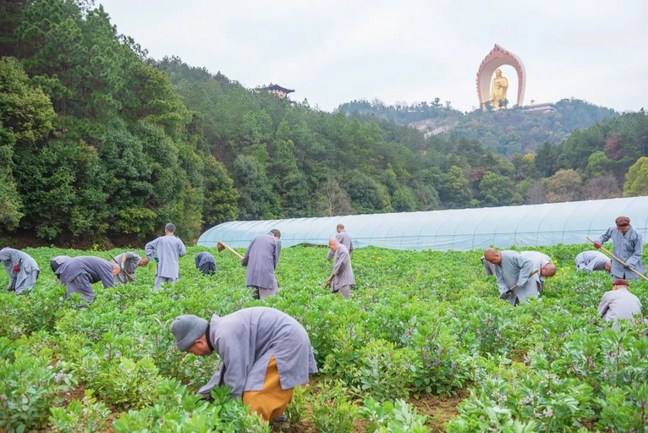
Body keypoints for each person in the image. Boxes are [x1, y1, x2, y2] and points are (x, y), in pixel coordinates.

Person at [170, 307, 318, 424]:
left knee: (253, 396)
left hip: (286, 342)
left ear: (198, 342)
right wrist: (201, 397)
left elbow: (236, 378)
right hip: (285, 340)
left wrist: (232, 416)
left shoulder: (224, 335)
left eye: (192, 352)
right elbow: (225, 372)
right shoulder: (221, 332)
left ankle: (256, 425)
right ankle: (272, 418)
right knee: (257, 385)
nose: (196, 355)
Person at [55, 256, 119, 305]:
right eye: (116, 274)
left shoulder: (103, 263)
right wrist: (113, 301)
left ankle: (69, 313)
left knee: (71, 296)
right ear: (115, 269)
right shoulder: (107, 267)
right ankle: (81, 317)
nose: (113, 276)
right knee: (87, 297)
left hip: (67, 267)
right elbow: (109, 288)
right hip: (77, 269)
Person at [241, 229, 281, 299]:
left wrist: (244, 262)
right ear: (276, 236)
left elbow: (247, 255)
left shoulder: (257, 237)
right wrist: (272, 272)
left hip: (252, 273)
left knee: (252, 300)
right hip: (265, 273)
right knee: (269, 299)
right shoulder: (276, 241)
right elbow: (275, 259)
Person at [145, 223, 186, 289]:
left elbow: (148, 246)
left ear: (165, 230)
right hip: (173, 269)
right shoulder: (178, 241)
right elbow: (183, 252)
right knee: (172, 291)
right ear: (174, 230)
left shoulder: (160, 239)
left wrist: (152, 256)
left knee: (157, 291)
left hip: (161, 268)